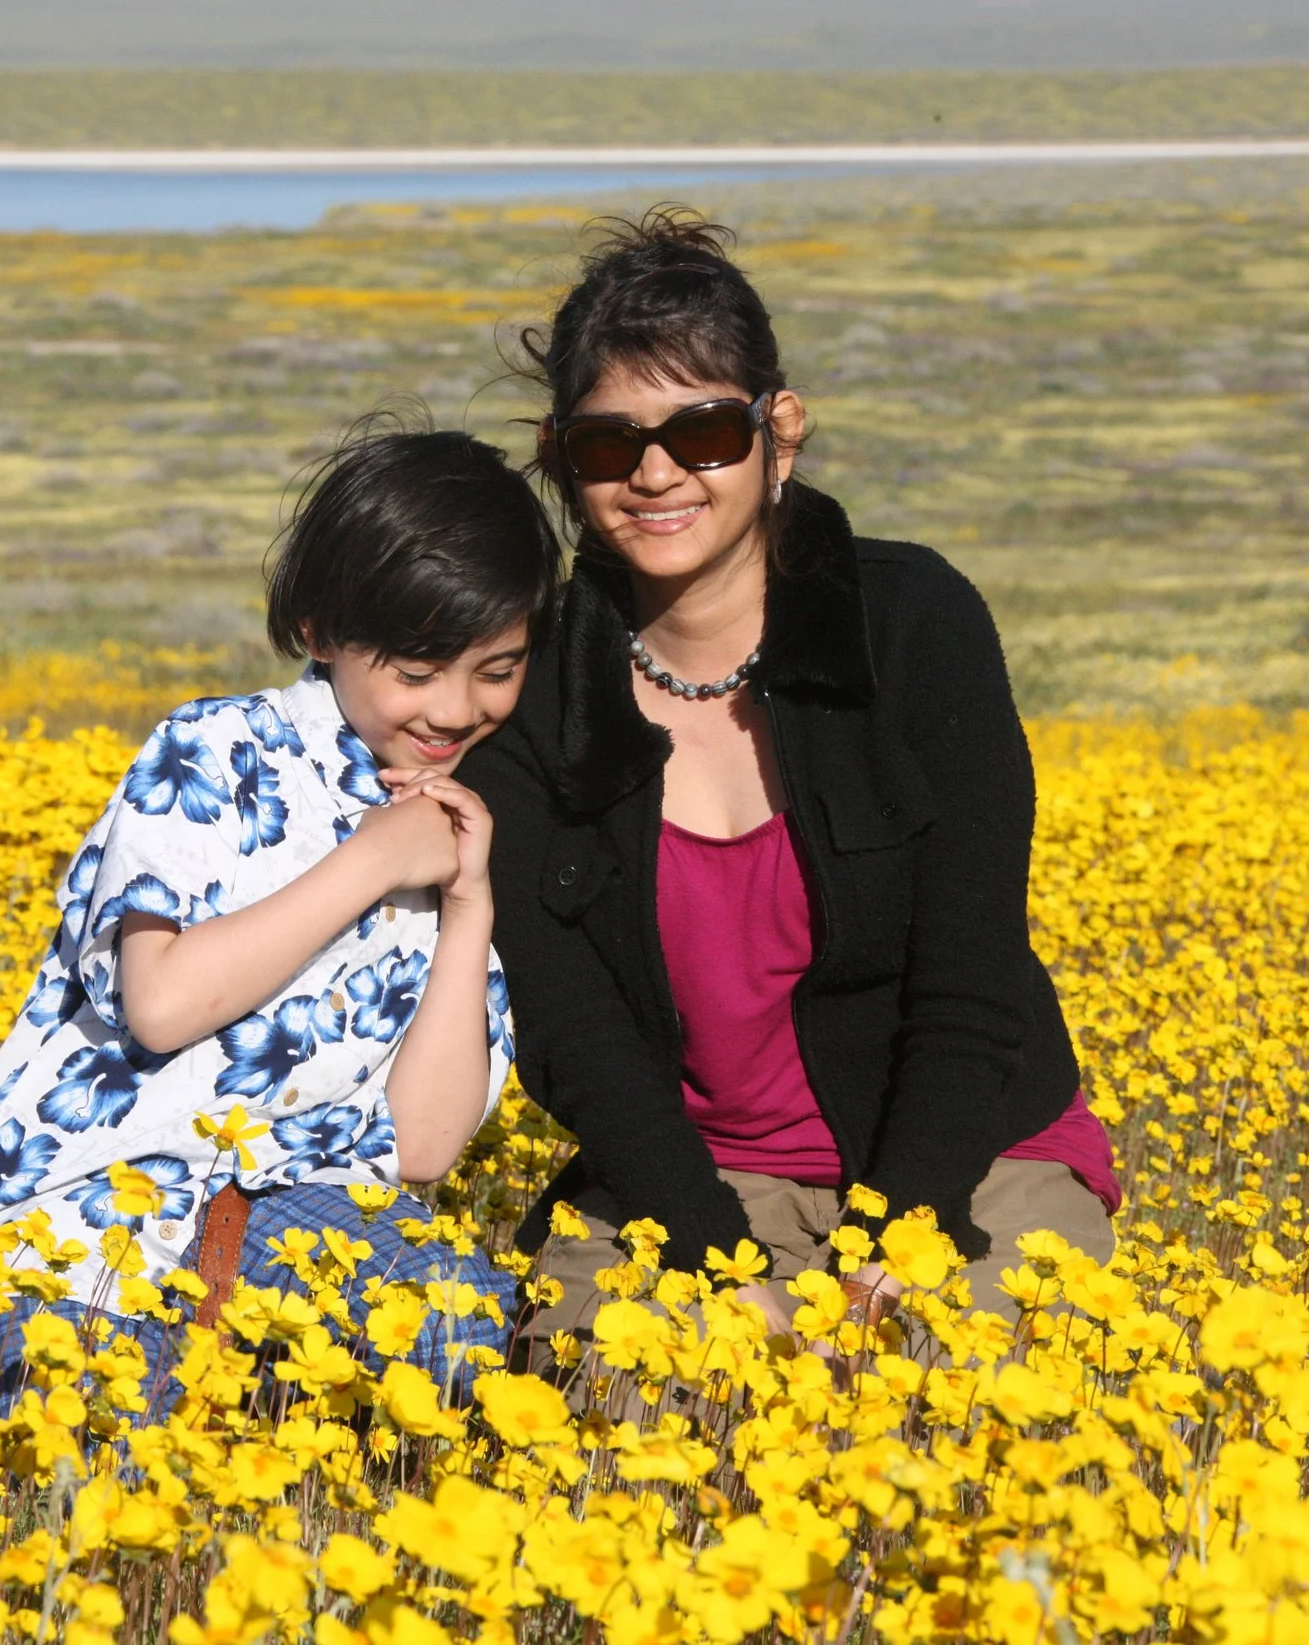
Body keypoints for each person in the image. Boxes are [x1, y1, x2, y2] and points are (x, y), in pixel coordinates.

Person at [458, 211, 1121, 1364]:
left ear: (781, 430)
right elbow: (573, 1036)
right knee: (626, 1416)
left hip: (965, 1155)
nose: (655, 473)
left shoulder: (911, 623)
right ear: (561, 456)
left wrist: (899, 1234)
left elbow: (970, 976)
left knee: (970, 1406)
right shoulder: (526, 687)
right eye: (609, 445)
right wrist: (719, 1262)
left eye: (703, 431)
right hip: (697, 1184)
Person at [0, 426, 557, 1414]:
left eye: (496, 668)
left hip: (299, 1206)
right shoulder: (213, 751)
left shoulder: (466, 822)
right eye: (416, 668)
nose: (454, 708)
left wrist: (468, 900)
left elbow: (423, 1149)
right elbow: (161, 1002)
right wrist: (374, 860)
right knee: (100, 1441)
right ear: (319, 631)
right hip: (100, 1209)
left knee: (459, 1336)